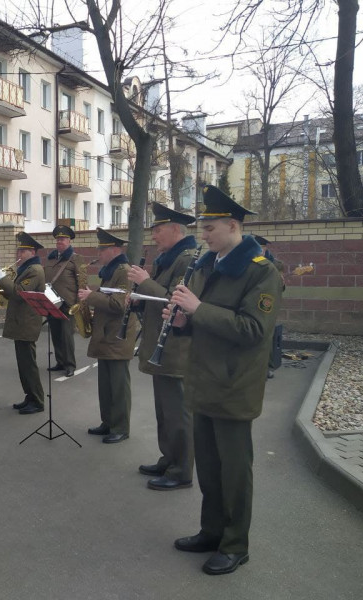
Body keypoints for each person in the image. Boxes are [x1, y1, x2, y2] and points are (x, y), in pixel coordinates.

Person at [169, 185, 283, 575]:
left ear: (232, 226)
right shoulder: (211, 264)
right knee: (209, 468)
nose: (203, 235)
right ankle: (211, 531)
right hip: (204, 380)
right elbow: (203, 320)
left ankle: (235, 545)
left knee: (234, 472)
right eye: (203, 228)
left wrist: (197, 308)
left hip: (234, 386)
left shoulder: (261, 271)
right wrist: (183, 321)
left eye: (210, 228)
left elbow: (254, 330)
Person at [126, 203, 197, 489]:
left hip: (176, 350)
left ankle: (181, 471)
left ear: (175, 229)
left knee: (178, 414)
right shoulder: (167, 258)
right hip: (160, 345)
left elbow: (177, 301)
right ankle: (168, 459)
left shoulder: (187, 259)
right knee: (164, 412)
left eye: (158, 230)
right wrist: (138, 299)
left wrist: (145, 283)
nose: (153, 236)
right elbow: (157, 300)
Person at [78, 229, 138, 443]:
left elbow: (119, 305)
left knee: (118, 386)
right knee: (105, 385)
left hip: (117, 336)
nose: (99, 253)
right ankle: (108, 422)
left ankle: (121, 427)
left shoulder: (123, 271)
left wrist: (91, 296)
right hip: (106, 334)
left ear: (114, 249)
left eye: (102, 249)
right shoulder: (111, 270)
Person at [0, 232, 46, 415]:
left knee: (29, 365)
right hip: (21, 321)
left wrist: (2, 278)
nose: (19, 254)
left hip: (27, 323)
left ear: (33, 252)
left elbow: (19, 293)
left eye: (23, 251)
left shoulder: (35, 270)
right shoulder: (26, 269)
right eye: (19, 251)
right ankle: (30, 396)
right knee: (23, 365)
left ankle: (37, 401)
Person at [44, 225, 87, 377]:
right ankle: (60, 361)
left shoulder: (76, 259)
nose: (59, 242)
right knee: (55, 334)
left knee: (67, 336)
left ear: (69, 241)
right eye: (58, 239)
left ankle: (70, 365)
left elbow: (82, 283)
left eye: (63, 239)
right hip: (52, 303)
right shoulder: (50, 259)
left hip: (68, 304)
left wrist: (79, 304)